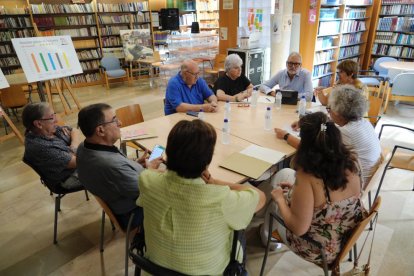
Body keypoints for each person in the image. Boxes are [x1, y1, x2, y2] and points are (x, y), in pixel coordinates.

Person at [137, 119, 266, 275]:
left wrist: (151, 168)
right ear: (207, 162)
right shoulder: (220, 198)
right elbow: (260, 196)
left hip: (154, 269)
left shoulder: (146, 180)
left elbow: (153, 175)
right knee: (239, 232)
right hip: (212, 272)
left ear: (168, 154)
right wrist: (214, 182)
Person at [260, 112, 367, 266]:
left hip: (320, 249)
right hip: (347, 233)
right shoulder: (352, 159)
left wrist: (280, 200)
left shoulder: (308, 176)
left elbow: (298, 228)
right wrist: (296, 194)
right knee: (285, 175)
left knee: (274, 205)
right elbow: (328, 197)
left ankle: (267, 239)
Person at [275, 85, 381, 187]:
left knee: (285, 173)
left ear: (339, 113)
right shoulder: (362, 122)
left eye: (329, 109)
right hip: (358, 178)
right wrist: (304, 122)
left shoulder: (345, 132)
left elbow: (309, 149)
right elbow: (327, 123)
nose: (328, 112)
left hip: (347, 185)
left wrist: (286, 135)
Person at [76, 103, 162, 230]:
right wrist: (150, 170)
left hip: (119, 199)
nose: (120, 123)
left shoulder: (83, 147)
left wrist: (136, 165)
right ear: (100, 130)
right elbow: (148, 191)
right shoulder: (109, 164)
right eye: (115, 120)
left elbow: (118, 176)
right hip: (133, 213)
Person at [22, 102, 82, 189]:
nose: (56, 120)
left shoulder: (46, 130)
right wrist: (74, 150)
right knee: (104, 171)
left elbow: (74, 130)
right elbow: (79, 162)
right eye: (51, 117)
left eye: (54, 115)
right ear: (38, 124)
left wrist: (73, 145)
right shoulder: (40, 147)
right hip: (67, 178)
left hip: (75, 166)